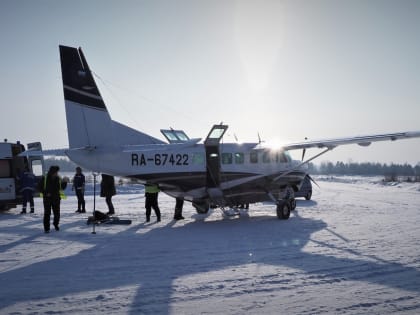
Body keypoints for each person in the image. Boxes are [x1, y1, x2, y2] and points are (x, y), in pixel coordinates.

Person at [39, 165, 68, 233]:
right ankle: (46, 228)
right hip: (47, 199)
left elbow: (62, 188)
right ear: (52, 172)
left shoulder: (59, 178)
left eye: (57, 172)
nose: (57, 173)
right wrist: (46, 193)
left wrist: (65, 182)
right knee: (47, 214)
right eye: (56, 172)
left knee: (57, 214)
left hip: (56, 199)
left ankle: (56, 225)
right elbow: (39, 188)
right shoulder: (45, 178)